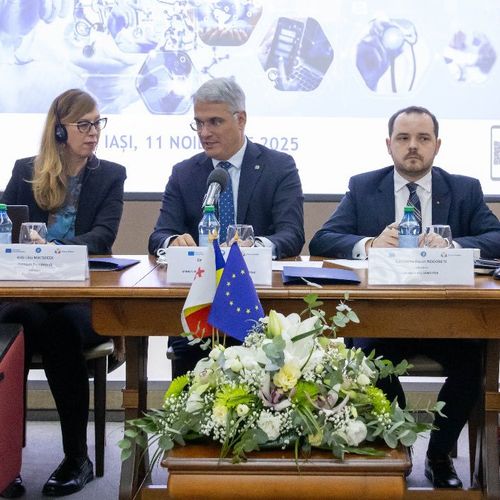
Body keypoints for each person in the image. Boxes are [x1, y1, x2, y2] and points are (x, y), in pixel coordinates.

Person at [309, 105, 500, 489]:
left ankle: (439, 455)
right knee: (366, 361)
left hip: (448, 320)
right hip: (384, 319)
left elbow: (496, 237)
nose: (413, 146)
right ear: (389, 144)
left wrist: (454, 245)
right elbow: (322, 240)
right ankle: (399, 444)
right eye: (404, 138)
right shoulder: (364, 187)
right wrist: (369, 244)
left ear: (437, 145)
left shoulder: (464, 189)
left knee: (473, 363)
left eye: (423, 138)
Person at [0, 89, 126, 497]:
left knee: (61, 329)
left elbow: (102, 236)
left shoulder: (110, 175)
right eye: (83, 124)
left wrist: (53, 248)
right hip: (30, 295)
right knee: (16, 323)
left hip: (81, 300)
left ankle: (76, 458)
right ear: (59, 130)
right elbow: (5, 223)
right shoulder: (25, 171)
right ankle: (5, 462)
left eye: (97, 123)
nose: (94, 132)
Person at [148, 77, 304, 377]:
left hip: (259, 303)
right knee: (189, 362)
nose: (204, 133)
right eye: (198, 123)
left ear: (240, 119)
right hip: (199, 304)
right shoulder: (184, 173)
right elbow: (159, 235)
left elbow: (292, 234)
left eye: (214, 122)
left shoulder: (278, 167)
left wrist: (254, 246)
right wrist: (172, 242)